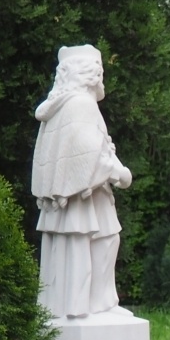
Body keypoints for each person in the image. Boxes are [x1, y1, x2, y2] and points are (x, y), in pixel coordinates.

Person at [32, 44, 134, 318]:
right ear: (91, 74)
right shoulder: (81, 105)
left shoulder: (59, 108)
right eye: (100, 71)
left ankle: (91, 304)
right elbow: (90, 154)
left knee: (93, 244)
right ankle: (87, 307)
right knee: (93, 245)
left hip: (77, 196)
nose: (102, 78)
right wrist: (121, 173)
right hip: (83, 196)